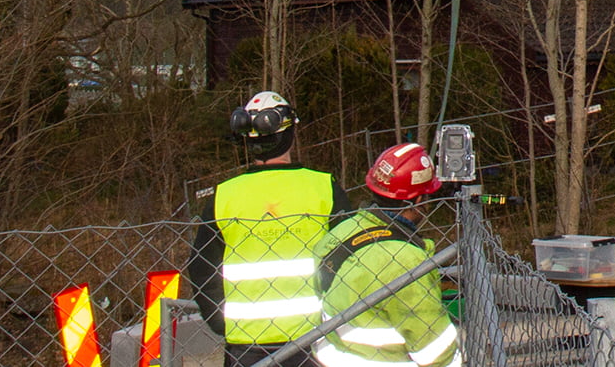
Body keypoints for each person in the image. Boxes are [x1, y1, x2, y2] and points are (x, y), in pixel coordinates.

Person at [187, 91, 345, 367]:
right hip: (315, 337)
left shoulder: (225, 196)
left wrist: (223, 322)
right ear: (289, 132)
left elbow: (201, 267)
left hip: (246, 344)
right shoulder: (322, 188)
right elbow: (352, 257)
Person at [313, 143, 458, 367]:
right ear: (419, 201)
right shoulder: (406, 260)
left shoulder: (340, 232)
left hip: (331, 357)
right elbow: (434, 350)